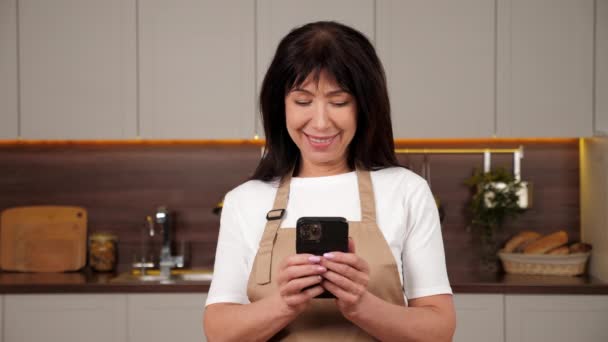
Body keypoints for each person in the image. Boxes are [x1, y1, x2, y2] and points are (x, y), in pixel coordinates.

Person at [204, 21, 455, 341]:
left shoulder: (406, 191)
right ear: (279, 105)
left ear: (364, 106)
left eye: (338, 102)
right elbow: (218, 331)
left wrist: (360, 304)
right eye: (303, 101)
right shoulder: (246, 200)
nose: (320, 123)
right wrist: (285, 303)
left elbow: (439, 330)